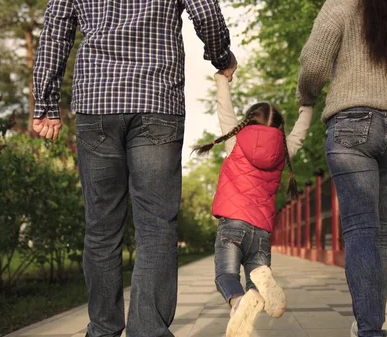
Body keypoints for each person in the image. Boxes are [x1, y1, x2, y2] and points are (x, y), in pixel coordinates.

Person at [31, 1, 236, 336]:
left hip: (97, 102)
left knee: (101, 229)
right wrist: (222, 57)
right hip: (156, 101)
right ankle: (148, 330)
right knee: (156, 225)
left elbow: (56, 30)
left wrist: (46, 103)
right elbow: (207, 14)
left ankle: (103, 329)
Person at [297, 0, 387, 336]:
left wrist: (306, 95)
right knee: (382, 233)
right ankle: (370, 323)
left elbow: (314, 64)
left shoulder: (339, 6)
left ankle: (369, 328)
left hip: (352, 125)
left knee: (361, 230)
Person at [192, 73, 312, 337]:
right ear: (279, 129)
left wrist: (222, 80)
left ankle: (237, 305)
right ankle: (257, 285)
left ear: (246, 123)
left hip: (232, 225)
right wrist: (307, 105)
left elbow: (225, 110)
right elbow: (300, 134)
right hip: (261, 231)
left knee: (225, 276)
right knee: (254, 275)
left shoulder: (236, 141)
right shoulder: (283, 150)